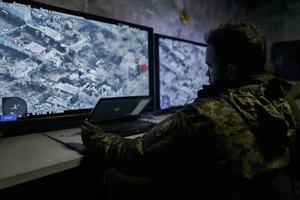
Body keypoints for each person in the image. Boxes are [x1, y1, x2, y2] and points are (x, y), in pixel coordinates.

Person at [80, 21, 300, 200]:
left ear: (231, 69)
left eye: (210, 66)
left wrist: (95, 136)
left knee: (105, 172)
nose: (207, 75)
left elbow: (134, 156)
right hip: (249, 191)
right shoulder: (282, 99)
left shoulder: (205, 114)